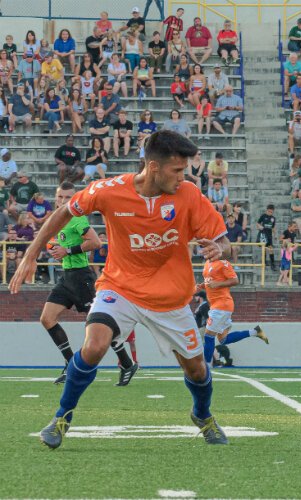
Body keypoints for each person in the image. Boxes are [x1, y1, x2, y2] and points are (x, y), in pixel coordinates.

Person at [10, 131, 233, 448]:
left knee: (196, 369)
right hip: (120, 286)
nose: (183, 177)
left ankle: (202, 414)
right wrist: (31, 254)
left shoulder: (189, 195)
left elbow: (223, 240)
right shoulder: (109, 190)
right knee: (95, 345)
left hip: (170, 296)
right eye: (177, 170)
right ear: (153, 166)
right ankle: (62, 417)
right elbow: (63, 212)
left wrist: (219, 249)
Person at [39, 181, 138, 385]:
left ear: (74, 198)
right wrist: (55, 247)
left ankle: (127, 363)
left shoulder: (77, 218)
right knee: (47, 319)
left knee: (100, 325)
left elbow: (96, 242)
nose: (64, 201)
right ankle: (70, 362)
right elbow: (56, 241)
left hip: (82, 278)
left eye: (68, 197)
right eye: (60, 197)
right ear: (55, 199)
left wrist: (68, 250)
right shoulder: (58, 220)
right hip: (67, 277)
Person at [197, 258, 267, 365]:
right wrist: (202, 285)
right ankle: (255, 332)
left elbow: (235, 280)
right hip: (218, 306)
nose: (205, 250)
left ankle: (206, 367)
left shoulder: (222, 263)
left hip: (221, 306)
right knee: (223, 340)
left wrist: (217, 284)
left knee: (208, 336)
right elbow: (210, 281)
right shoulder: (207, 263)